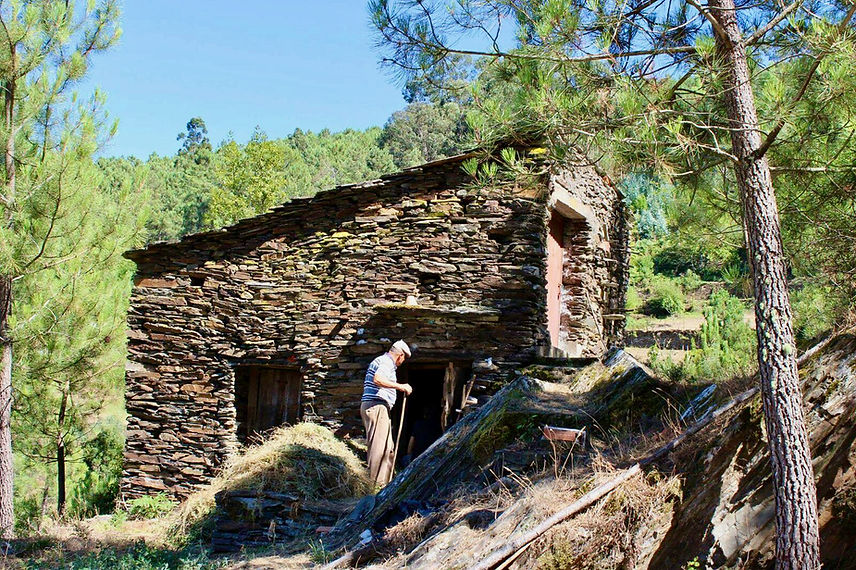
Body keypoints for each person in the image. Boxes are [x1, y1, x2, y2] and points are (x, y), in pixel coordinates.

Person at [360, 340, 412, 486]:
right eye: (404, 358)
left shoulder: (384, 361)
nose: (402, 362)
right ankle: (377, 485)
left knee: (387, 448)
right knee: (380, 448)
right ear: (400, 355)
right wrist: (401, 387)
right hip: (376, 406)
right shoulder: (386, 362)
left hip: (377, 406)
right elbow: (378, 379)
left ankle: (385, 483)